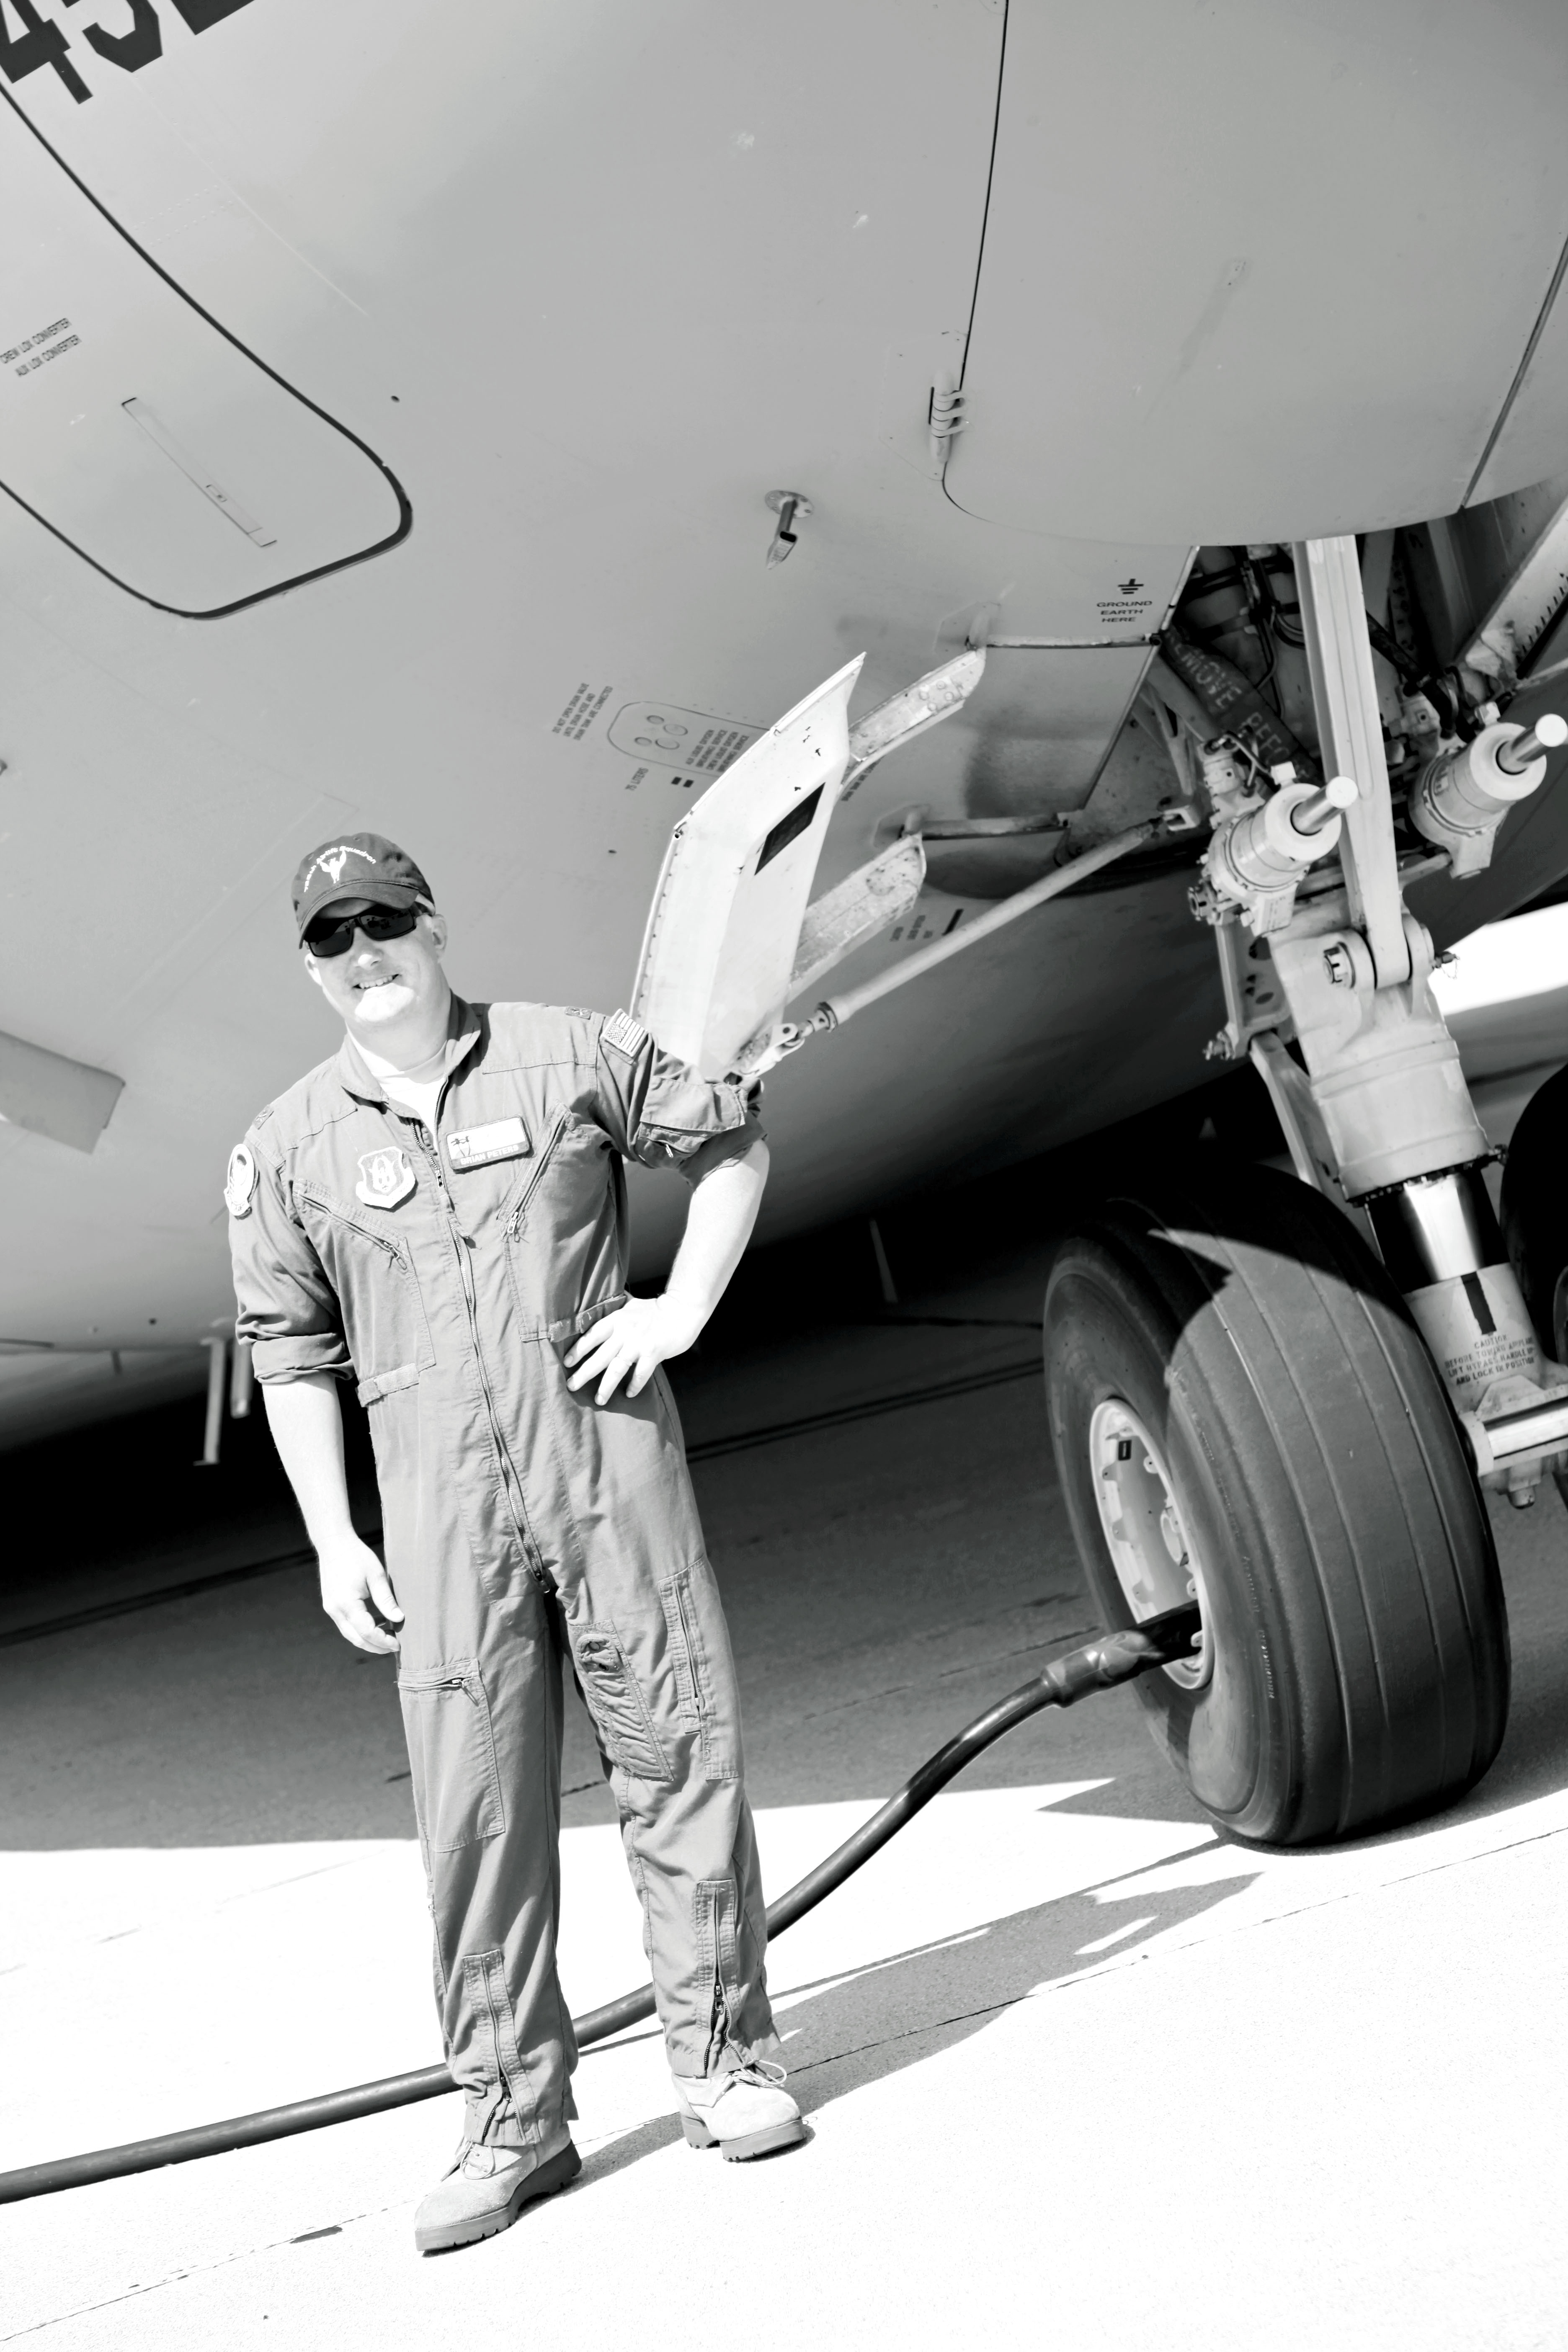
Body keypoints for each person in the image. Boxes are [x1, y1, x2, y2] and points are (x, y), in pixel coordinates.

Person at [227, 832, 801, 2256]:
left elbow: (729, 1141)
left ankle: (724, 2064)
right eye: (331, 938)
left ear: (431, 925)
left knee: (676, 1752)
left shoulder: (565, 1053)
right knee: (474, 1819)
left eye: (383, 924)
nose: (364, 954)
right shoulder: (290, 1146)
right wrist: (328, 1532)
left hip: (605, 1464)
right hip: (437, 1514)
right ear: (312, 965)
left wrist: (678, 1312)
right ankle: (510, 2124)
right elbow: (287, 1352)